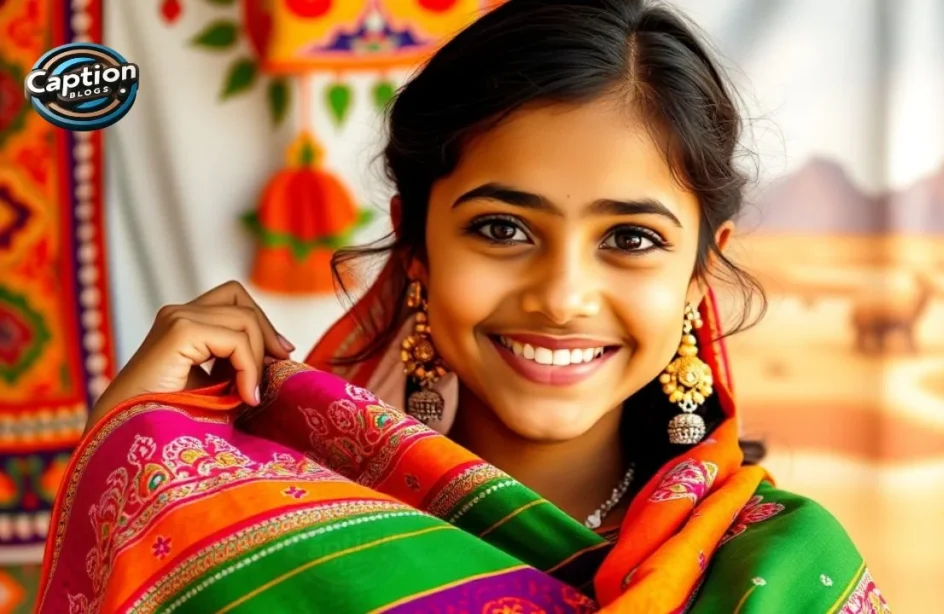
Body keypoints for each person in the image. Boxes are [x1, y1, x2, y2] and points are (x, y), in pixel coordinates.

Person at [37, 0, 890, 612]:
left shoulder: (779, 576)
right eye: (502, 228)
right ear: (416, 245)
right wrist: (125, 455)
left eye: (630, 239)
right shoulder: (240, 527)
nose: (561, 297)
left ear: (703, 273)